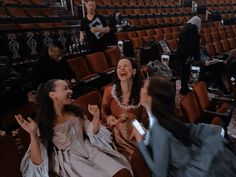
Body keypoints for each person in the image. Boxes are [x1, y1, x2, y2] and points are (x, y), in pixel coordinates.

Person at [15, 79, 132, 177]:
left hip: (89, 149)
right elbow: (37, 162)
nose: (70, 90)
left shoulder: (75, 111)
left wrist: (96, 116)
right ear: (52, 95)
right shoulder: (44, 123)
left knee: (120, 171)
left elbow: (92, 131)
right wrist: (33, 134)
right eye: (65, 88)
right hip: (71, 160)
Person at [134, 76, 236, 177]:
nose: (140, 89)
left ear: (150, 98)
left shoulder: (159, 129)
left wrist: (140, 143)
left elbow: (160, 173)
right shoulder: (168, 118)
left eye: (143, 87)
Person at [101, 57, 150, 177]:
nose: (121, 68)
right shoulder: (109, 91)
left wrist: (136, 123)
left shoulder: (142, 92)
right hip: (116, 131)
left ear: (133, 72)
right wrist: (108, 118)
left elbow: (145, 121)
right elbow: (103, 113)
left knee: (147, 153)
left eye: (125, 66)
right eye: (119, 67)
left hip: (136, 128)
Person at [178, 16, 201, 94]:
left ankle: (184, 86)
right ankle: (184, 88)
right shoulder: (193, 28)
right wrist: (192, 54)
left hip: (182, 52)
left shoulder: (185, 28)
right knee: (186, 71)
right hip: (188, 53)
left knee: (184, 70)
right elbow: (193, 43)